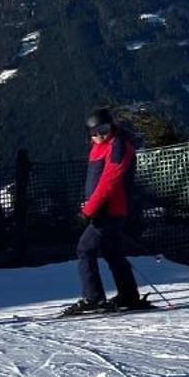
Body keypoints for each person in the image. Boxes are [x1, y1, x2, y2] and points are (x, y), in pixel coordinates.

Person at [64, 107, 148, 315]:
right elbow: (95, 181)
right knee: (112, 251)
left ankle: (94, 298)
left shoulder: (118, 146)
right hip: (102, 209)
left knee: (85, 249)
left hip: (109, 210)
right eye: (93, 132)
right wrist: (88, 204)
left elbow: (109, 181)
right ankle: (128, 294)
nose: (98, 135)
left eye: (102, 129)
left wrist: (88, 210)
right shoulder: (98, 147)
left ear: (111, 127)